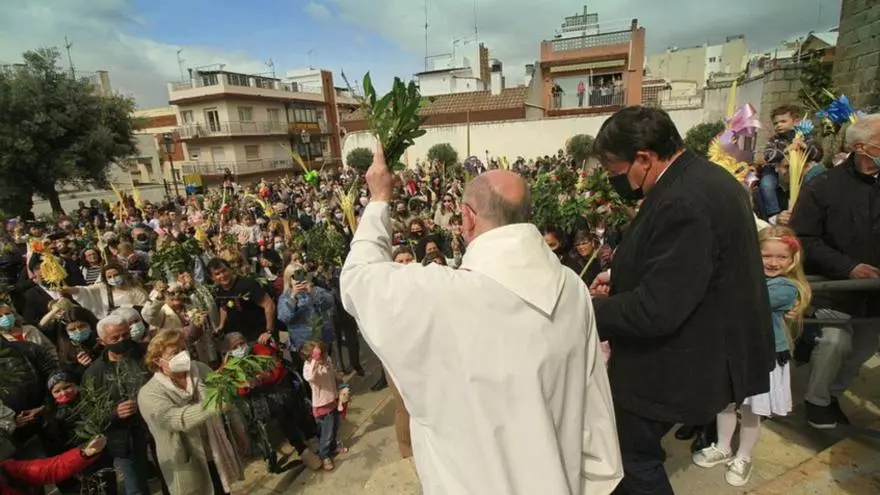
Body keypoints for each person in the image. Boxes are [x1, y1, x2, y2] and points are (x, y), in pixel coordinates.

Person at [340, 144, 622, 494]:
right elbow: (593, 404)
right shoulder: (572, 287)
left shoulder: (443, 294)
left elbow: (358, 279)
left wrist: (379, 198)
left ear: (467, 217)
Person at [589, 106, 775, 495]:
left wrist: (585, 308)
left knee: (631, 459)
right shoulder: (704, 178)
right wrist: (621, 277)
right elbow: (687, 269)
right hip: (703, 348)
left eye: (614, 170)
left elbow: (656, 309)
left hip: (678, 363)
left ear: (644, 157)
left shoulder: (683, 200)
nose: (614, 181)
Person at [693, 226, 811, 486]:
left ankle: (744, 456)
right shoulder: (751, 280)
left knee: (751, 411)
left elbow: (745, 300)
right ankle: (723, 446)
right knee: (726, 404)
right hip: (735, 351)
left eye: (781, 257)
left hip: (762, 358)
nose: (773, 262)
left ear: (792, 260)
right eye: (765, 255)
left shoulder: (785, 288)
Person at [789, 113, 880, 429]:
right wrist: (848, 267)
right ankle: (816, 402)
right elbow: (803, 238)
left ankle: (832, 395)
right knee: (834, 343)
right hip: (834, 289)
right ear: (861, 147)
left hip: (874, 294)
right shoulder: (824, 186)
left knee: (864, 347)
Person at [138, 330, 244, 495]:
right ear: (158, 360)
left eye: (183, 349)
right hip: (185, 461)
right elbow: (174, 419)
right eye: (175, 353)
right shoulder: (149, 393)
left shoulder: (200, 369)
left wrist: (239, 430)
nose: (183, 355)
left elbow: (227, 400)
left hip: (215, 453)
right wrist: (212, 405)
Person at [224, 332, 322, 471]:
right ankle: (301, 449)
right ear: (229, 350)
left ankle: (311, 436)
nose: (240, 348)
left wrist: (265, 376)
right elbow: (236, 388)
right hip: (258, 397)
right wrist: (247, 385)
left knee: (289, 399)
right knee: (277, 410)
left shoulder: (259, 349)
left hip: (278, 384)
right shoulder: (230, 365)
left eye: (241, 343)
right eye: (235, 346)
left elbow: (277, 367)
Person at [83, 314, 152, 495]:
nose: (122, 340)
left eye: (125, 335)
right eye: (115, 338)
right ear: (102, 341)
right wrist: (114, 413)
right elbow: (90, 413)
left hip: (157, 426)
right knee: (136, 488)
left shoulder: (148, 353)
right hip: (124, 438)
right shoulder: (94, 373)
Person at [758, 104, 822, 223]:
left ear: (796, 122)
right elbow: (768, 155)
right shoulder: (775, 140)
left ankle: (806, 209)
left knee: (812, 180)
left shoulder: (805, 136)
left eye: (783, 121)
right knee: (766, 184)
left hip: (800, 171)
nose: (779, 125)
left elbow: (817, 155)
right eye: (776, 123)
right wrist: (786, 150)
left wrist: (804, 147)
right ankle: (774, 213)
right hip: (777, 171)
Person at [207, 259, 276, 344]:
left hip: (259, 337)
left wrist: (268, 331)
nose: (222, 275)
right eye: (217, 274)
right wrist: (221, 325)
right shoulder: (219, 291)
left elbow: (269, 305)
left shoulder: (247, 284)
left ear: (230, 269)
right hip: (240, 341)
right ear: (212, 278)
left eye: (224, 270)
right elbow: (223, 307)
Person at [302, 341, 340, 472]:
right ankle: (324, 456)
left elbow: (332, 372)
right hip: (322, 406)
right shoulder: (309, 367)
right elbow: (310, 377)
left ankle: (333, 447)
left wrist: (339, 379)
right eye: (320, 355)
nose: (324, 357)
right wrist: (315, 360)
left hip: (333, 400)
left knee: (334, 428)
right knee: (327, 434)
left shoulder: (327, 361)